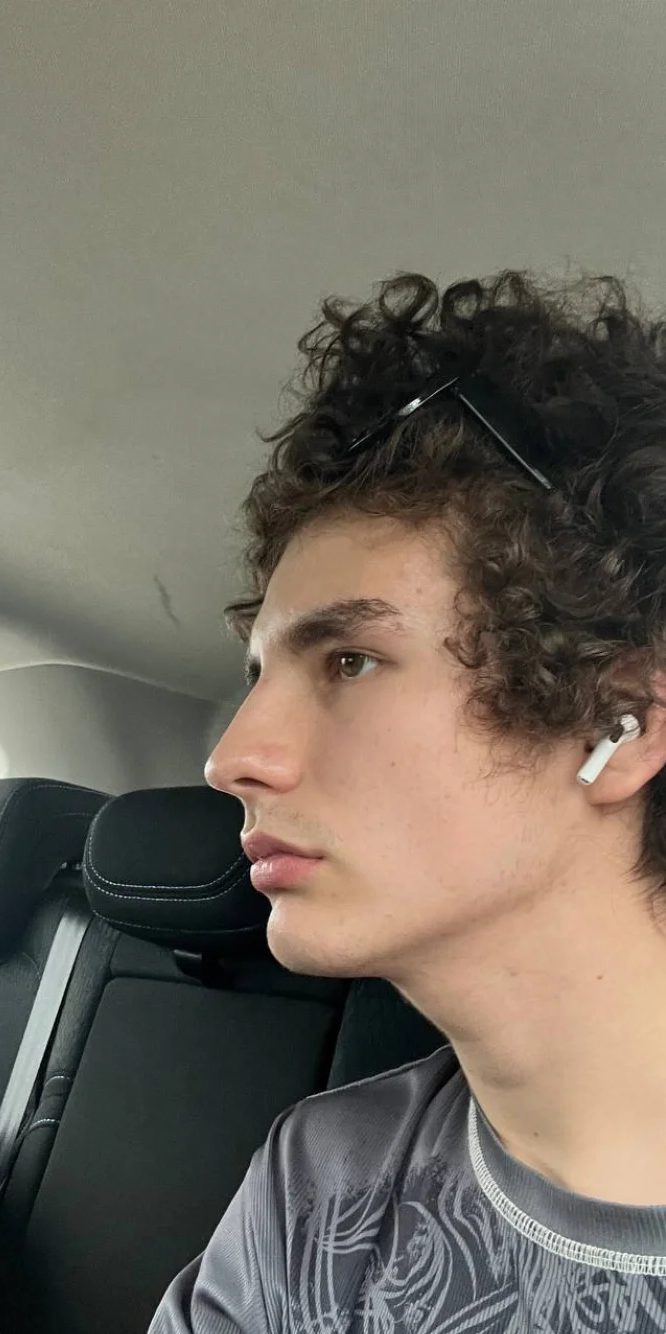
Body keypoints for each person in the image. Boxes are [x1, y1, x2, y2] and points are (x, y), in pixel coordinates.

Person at [149, 272, 666, 1332]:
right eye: (257, 678)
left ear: (618, 723)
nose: (232, 758)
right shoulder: (317, 1183)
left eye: (349, 660)